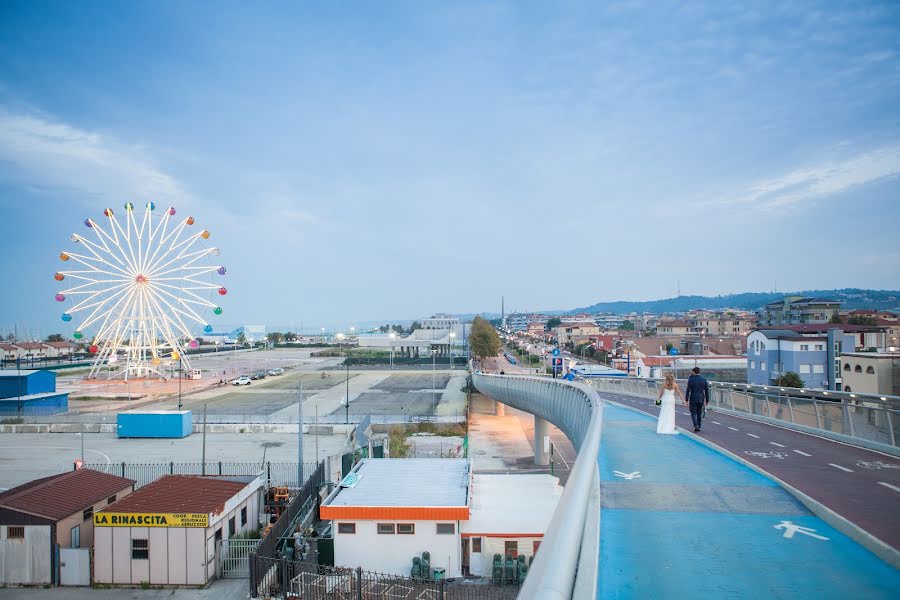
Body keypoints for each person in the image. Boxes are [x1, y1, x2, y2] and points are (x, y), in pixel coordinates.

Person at [685, 367, 710, 432]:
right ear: (699, 372)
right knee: (699, 412)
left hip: (693, 398)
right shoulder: (704, 379)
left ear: (693, 372)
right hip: (701, 398)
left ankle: (696, 425)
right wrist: (707, 400)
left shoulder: (691, 379)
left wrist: (686, 399)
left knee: (693, 412)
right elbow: (706, 390)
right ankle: (699, 425)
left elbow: (688, 390)